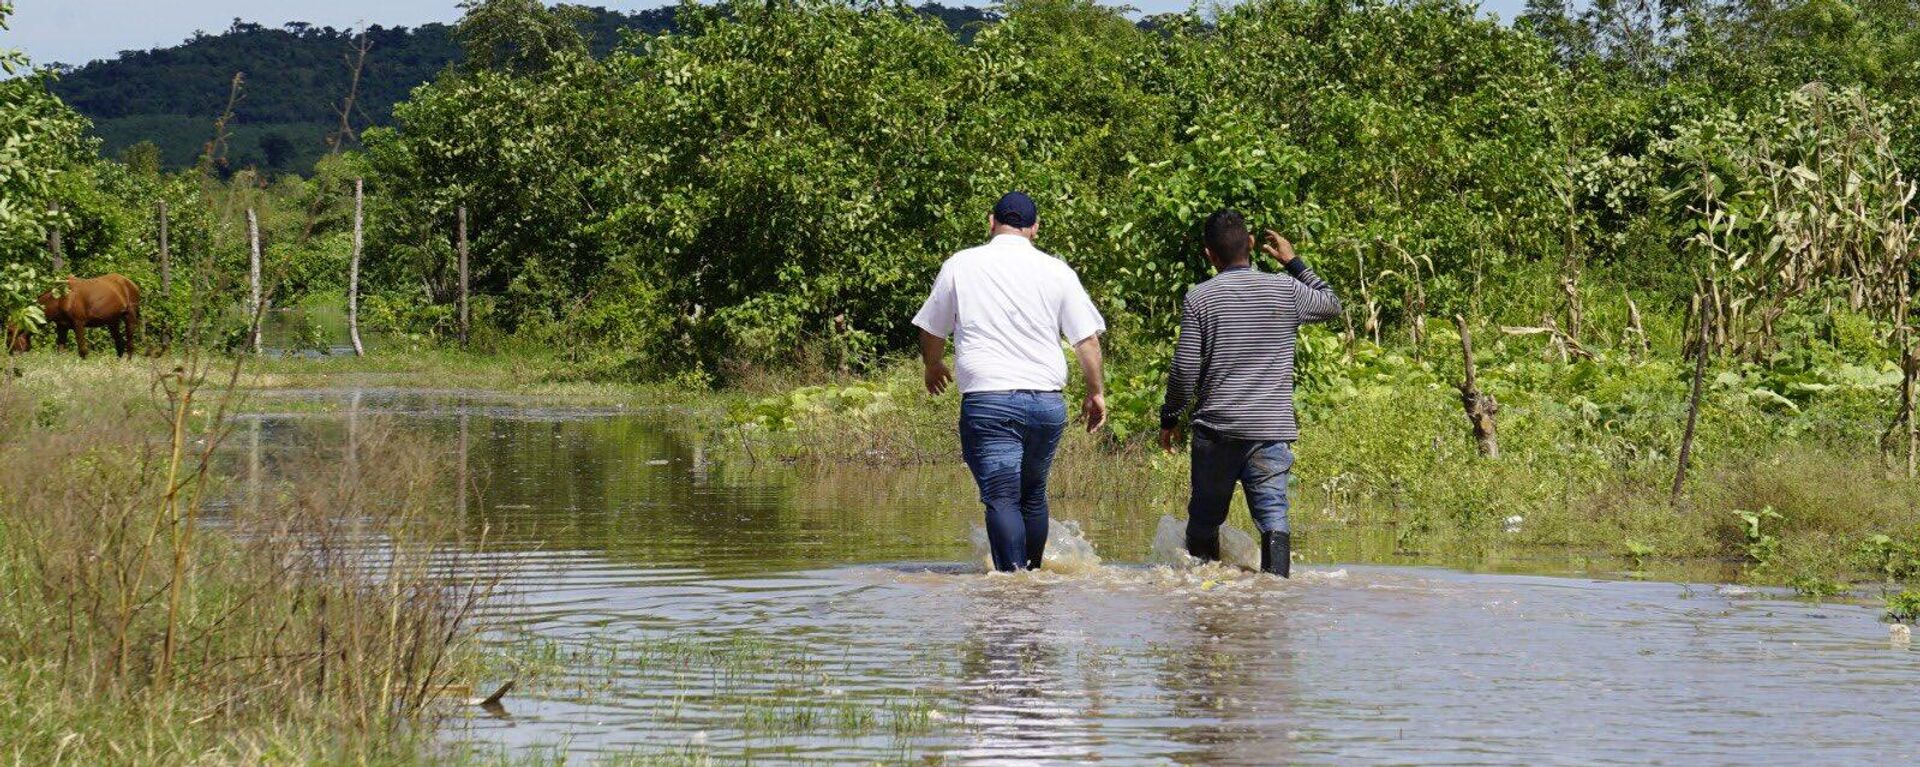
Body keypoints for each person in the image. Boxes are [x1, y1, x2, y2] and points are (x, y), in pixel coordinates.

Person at [913, 191, 1108, 573]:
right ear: (1035, 228)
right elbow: (1086, 340)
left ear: (991, 222)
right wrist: (1095, 391)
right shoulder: (1057, 271)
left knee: (1002, 497)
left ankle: (1012, 585)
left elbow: (932, 328)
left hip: (989, 401)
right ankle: (1031, 581)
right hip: (1045, 402)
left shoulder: (960, 265)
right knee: (1032, 495)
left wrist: (933, 365)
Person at [1158, 209, 1341, 577]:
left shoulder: (1200, 298)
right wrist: (1293, 262)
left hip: (1217, 431)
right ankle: (1276, 591)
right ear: (1253, 244)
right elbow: (1331, 304)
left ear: (1209, 254)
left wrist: (1170, 416)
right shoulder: (1286, 289)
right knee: (1273, 515)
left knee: (1205, 519)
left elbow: (1185, 369)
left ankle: (1202, 592)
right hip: (1269, 431)